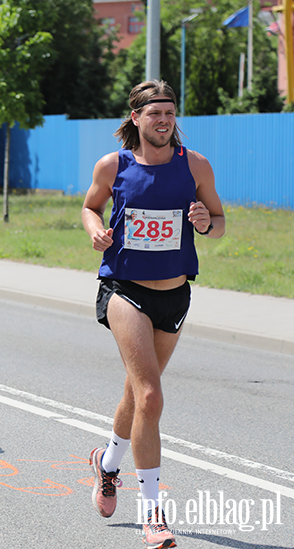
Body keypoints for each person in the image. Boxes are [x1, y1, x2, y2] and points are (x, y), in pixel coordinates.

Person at [81, 80, 225, 549]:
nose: (164, 120)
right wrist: (96, 230)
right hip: (124, 290)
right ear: (136, 119)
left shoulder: (195, 165)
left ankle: (106, 464)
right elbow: (89, 207)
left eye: (170, 112)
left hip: (175, 293)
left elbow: (218, 223)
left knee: (137, 395)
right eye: (155, 113)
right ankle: (153, 514)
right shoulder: (114, 165)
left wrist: (206, 223)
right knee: (150, 393)